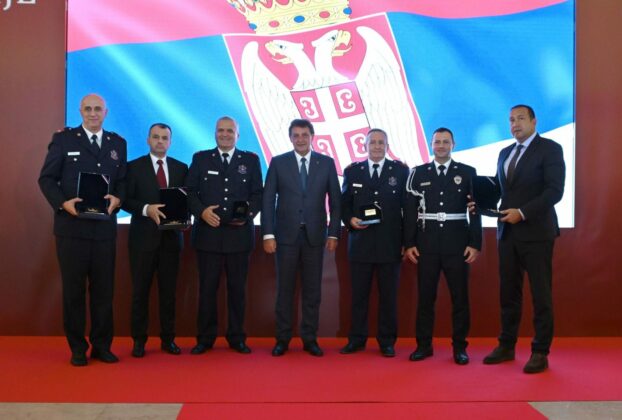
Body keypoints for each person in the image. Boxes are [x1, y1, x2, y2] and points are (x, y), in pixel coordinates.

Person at [38, 93, 126, 366]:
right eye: (87, 109)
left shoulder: (117, 143)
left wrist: (118, 199)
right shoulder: (64, 140)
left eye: (97, 109)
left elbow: (122, 181)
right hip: (71, 229)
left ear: (105, 112)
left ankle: (101, 346)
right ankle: (77, 348)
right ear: (80, 111)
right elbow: (46, 179)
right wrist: (62, 203)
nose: (92, 113)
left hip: (103, 231)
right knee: (74, 292)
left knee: (103, 292)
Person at [481, 105, 565, 374]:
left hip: (537, 233)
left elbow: (555, 191)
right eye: (511, 120)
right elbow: (500, 189)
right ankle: (506, 345)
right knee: (508, 293)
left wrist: (523, 212)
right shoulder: (505, 152)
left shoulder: (550, 149)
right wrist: (478, 201)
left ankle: (540, 351)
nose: (515, 124)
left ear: (534, 121)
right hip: (507, 233)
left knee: (541, 294)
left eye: (520, 119)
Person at [262, 118, 341, 357]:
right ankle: (282, 339)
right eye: (295, 135)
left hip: (315, 237)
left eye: (304, 135)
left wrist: (333, 232)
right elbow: (268, 200)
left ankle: (309, 338)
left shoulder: (326, 163)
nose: (300, 139)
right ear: (290, 138)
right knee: (284, 290)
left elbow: (336, 202)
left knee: (312, 291)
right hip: (285, 237)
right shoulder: (278, 163)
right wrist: (268, 233)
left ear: (312, 137)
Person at [403, 127, 482, 365]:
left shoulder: (467, 173)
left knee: (460, 298)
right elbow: (410, 212)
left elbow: (475, 211)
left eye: (446, 142)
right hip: (426, 244)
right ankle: (423, 345)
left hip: (457, 244)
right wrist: (409, 243)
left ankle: (460, 348)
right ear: (431, 144)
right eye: (437, 142)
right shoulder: (417, 173)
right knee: (426, 298)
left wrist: (475, 243)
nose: (441, 146)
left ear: (453, 145)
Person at [185, 116, 262, 355]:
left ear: (238, 135)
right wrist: (201, 212)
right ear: (215, 133)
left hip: (239, 236)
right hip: (208, 236)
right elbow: (189, 192)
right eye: (221, 130)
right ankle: (205, 338)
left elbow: (258, 194)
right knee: (207, 290)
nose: (225, 134)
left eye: (230, 131)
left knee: (237, 291)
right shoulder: (201, 158)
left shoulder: (250, 160)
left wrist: (247, 214)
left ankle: (237, 337)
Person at [339, 128, 409, 357]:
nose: (377, 146)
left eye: (381, 143)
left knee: (388, 297)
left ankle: (387, 342)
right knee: (359, 296)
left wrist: (407, 242)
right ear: (365, 146)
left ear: (387, 147)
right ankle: (356, 339)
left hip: (390, 244)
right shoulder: (353, 171)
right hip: (361, 244)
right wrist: (350, 220)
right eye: (373, 142)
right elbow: (343, 204)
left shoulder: (400, 171)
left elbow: (408, 209)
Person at [122, 123, 188, 358]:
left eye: (164, 138)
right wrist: (146, 208)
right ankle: (139, 341)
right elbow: (125, 200)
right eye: (156, 137)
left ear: (170, 142)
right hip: (142, 240)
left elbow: (186, 200)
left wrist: (186, 219)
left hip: (171, 240)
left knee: (168, 294)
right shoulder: (133, 167)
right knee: (140, 293)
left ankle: (168, 339)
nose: (160, 141)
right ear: (148, 140)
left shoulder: (181, 168)